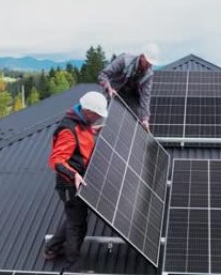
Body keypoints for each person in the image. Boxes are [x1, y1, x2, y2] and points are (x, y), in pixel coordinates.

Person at [44, 91, 108, 263]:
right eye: (97, 116)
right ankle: (73, 260)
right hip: (69, 185)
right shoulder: (68, 130)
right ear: (88, 112)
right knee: (77, 224)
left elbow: (82, 140)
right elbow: (56, 161)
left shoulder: (82, 122)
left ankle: (52, 248)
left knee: (74, 217)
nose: (98, 119)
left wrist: (93, 132)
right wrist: (74, 174)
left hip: (79, 181)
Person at [98, 53, 153, 130]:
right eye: (147, 63)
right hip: (114, 91)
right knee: (105, 117)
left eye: (150, 64)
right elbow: (103, 75)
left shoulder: (149, 74)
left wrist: (145, 118)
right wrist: (108, 88)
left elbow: (146, 97)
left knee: (134, 120)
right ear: (142, 57)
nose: (149, 66)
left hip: (131, 97)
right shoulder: (124, 60)